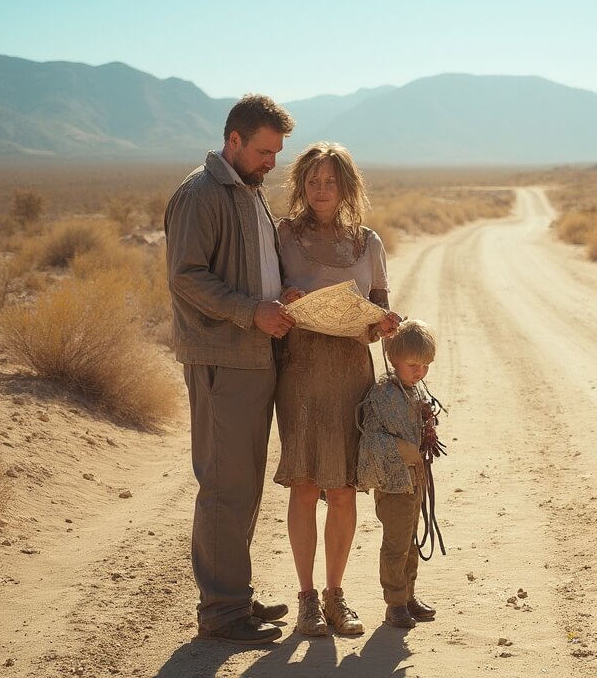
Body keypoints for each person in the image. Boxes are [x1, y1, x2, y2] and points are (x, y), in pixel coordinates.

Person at [164, 94, 297, 645]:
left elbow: (251, 268)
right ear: (234, 140)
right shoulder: (202, 193)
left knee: (243, 486)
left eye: (277, 154)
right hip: (222, 358)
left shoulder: (249, 192)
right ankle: (221, 613)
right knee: (223, 486)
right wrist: (252, 310)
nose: (272, 163)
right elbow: (187, 277)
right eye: (265, 151)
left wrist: (277, 293)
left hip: (254, 356)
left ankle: (234, 597)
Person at [274, 142, 401, 637]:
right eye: (313, 182)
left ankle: (335, 597)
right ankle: (305, 600)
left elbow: (380, 308)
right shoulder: (282, 235)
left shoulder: (369, 243)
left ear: (346, 187)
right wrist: (284, 298)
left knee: (345, 490)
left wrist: (383, 324)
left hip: (352, 373)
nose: (321, 190)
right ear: (301, 185)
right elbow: (269, 293)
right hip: (301, 372)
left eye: (331, 182)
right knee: (306, 486)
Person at [356, 319, 440, 629]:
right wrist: (404, 449)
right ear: (393, 358)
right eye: (413, 364)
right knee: (395, 544)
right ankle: (394, 603)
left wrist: (424, 419)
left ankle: (408, 595)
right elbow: (372, 438)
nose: (420, 371)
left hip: (413, 482)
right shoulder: (383, 395)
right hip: (393, 486)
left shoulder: (411, 391)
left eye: (425, 365)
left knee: (411, 542)